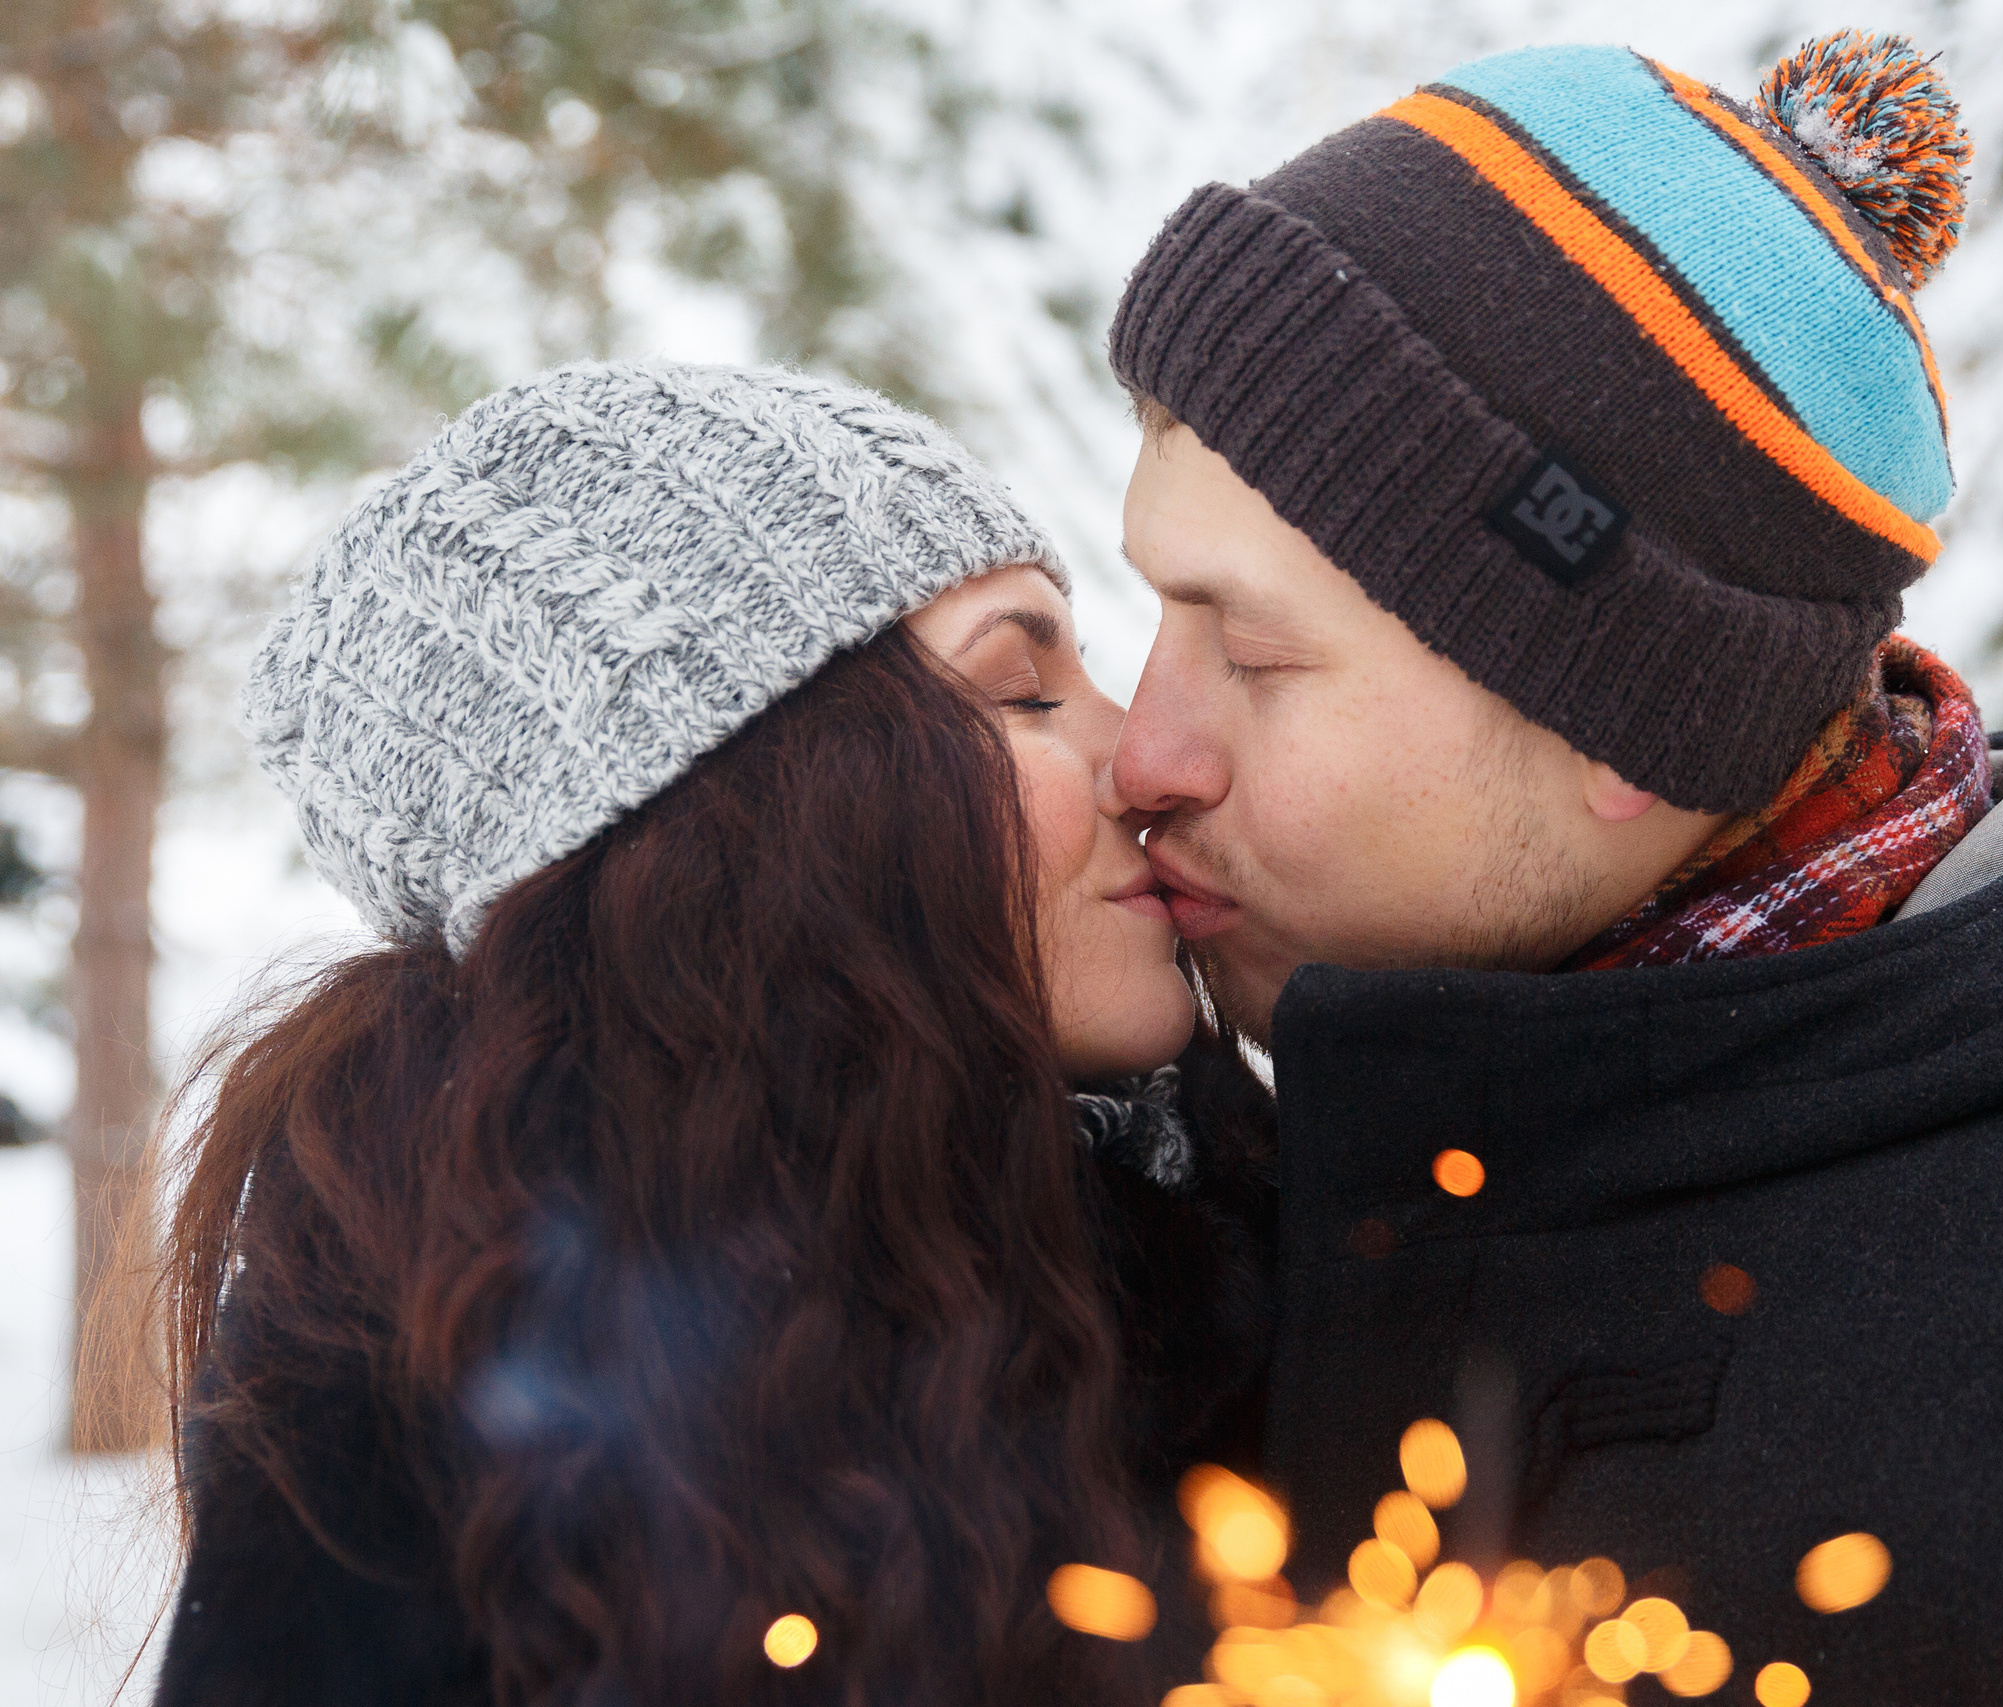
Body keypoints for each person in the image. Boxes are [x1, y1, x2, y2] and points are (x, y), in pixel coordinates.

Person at [1106, 32, 2003, 1705]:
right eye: (1151, 608)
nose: (1144, 755)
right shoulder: (1223, 1183)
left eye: (1257, 657)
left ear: (1628, 724)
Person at [153, 361, 1271, 1707]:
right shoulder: (422, 1421)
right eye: (1023, 692)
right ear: (750, 826)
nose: (1141, 757)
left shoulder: (1268, 1238)